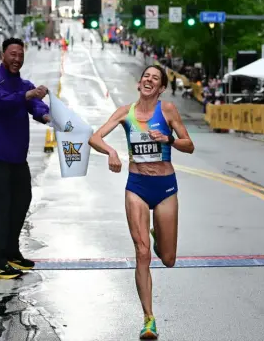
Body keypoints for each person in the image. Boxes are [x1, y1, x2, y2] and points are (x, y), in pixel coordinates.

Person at [89, 65, 194, 339]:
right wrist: (111, 151)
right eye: (146, 76)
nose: (149, 80)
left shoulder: (168, 110)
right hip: (136, 186)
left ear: (160, 88)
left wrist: (168, 139)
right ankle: (149, 319)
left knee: (168, 259)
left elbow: (189, 144)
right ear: (139, 84)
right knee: (142, 253)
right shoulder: (126, 112)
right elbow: (94, 137)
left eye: (155, 79)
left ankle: (157, 237)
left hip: (165, 186)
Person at [0, 38, 50, 279]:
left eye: (20, 55)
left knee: (21, 201)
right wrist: (28, 94)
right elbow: (3, 102)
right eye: (13, 54)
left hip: (17, 157)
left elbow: (37, 107)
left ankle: (11, 251)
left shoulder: (24, 84)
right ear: (3, 55)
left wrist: (48, 115)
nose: (17, 58)